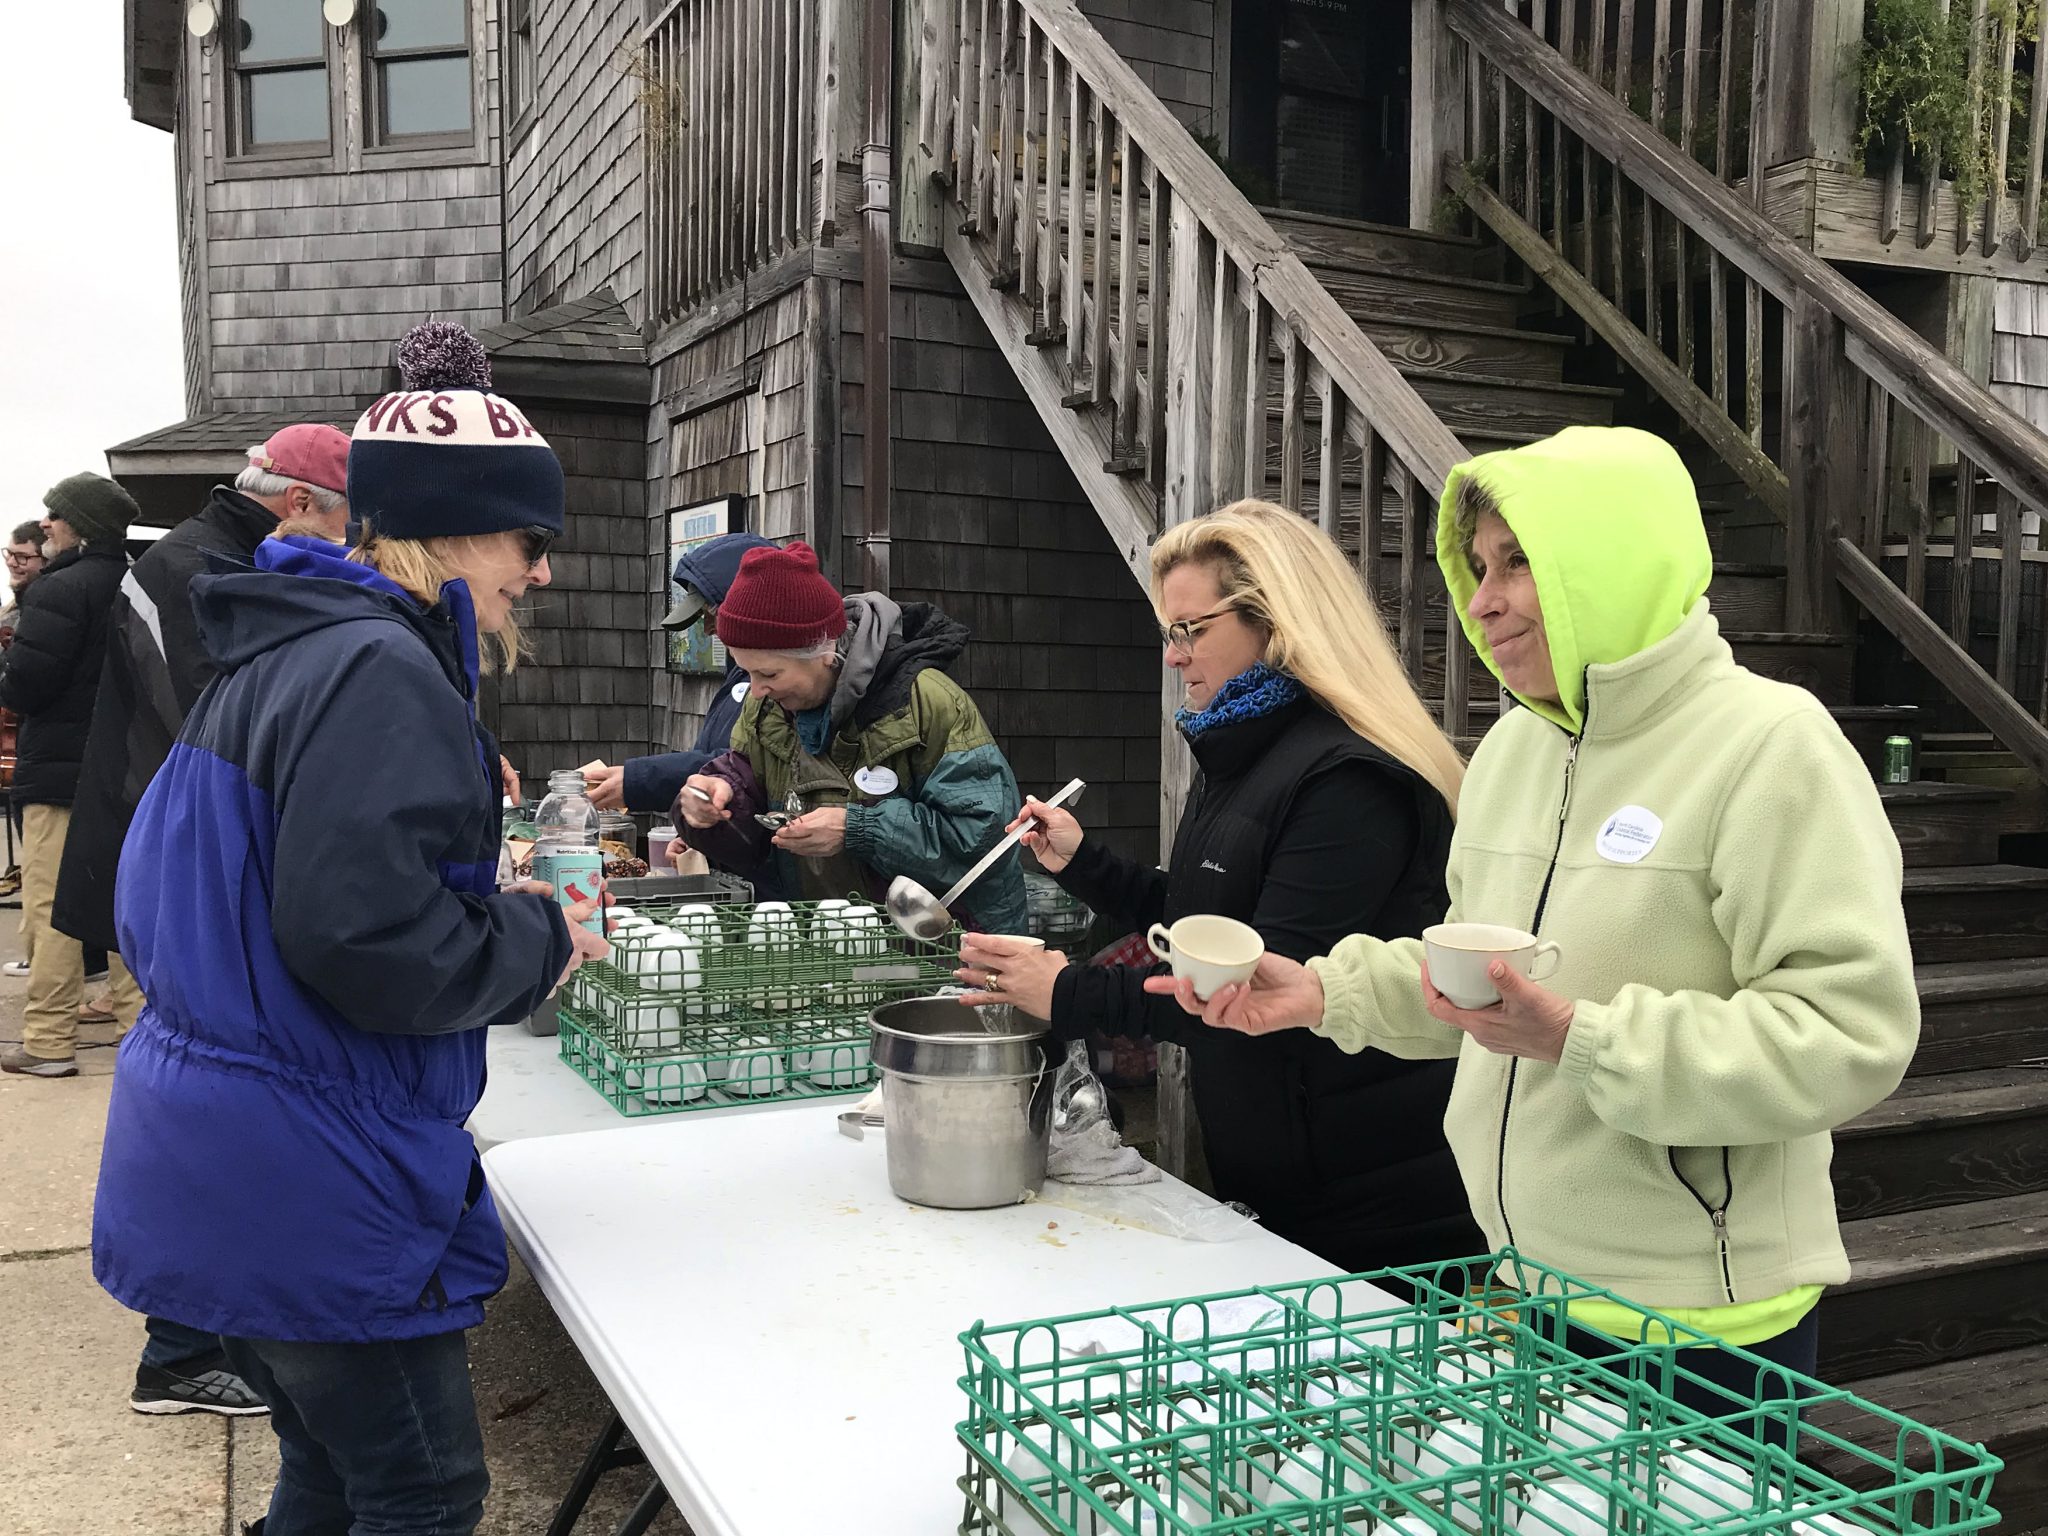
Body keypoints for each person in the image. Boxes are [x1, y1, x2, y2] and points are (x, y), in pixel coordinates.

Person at [1148, 427, 1919, 1406]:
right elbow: (1470, 988)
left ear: (1610, 558)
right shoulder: (1510, 753)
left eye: (1518, 561)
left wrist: (1579, 1039)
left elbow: (1848, 1035)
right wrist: (1321, 993)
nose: (1483, 599)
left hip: (1703, 1323)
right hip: (1520, 1286)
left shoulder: (1769, 748)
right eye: (1475, 566)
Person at [92, 322, 607, 1535]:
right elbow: (363, 940)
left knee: (327, 1473)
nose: (540, 574)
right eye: (528, 543)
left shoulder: (283, 648)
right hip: (308, 1170)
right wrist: (537, 939)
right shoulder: (382, 670)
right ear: (457, 528)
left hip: (214, 1145)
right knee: (423, 1488)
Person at [956, 501, 1481, 1273]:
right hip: (1281, 1162)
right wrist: (1084, 863)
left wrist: (1071, 993)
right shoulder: (1242, 752)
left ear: (1277, 620)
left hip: (1373, 1191)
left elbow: (1258, 994)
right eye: (1170, 631)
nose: (1173, 655)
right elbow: (1208, 923)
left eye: (1188, 629)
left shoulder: (1349, 780)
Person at [49, 424, 351, 1416]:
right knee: (214, 1101)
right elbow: (218, 730)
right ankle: (178, 1354)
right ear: (298, 503)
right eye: (345, 521)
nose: (350, 545)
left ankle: (205, 1329)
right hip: (178, 867)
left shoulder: (201, 553)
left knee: (212, 1097)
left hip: (170, 854)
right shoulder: (191, 570)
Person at [673, 539, 1029, 934]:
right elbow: (748, 811)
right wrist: (713, 804)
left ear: (824, 653)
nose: (755, 691)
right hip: (832, 949)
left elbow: (986, 837)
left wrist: (857, 829)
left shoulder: (928, 703)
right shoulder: (766, 709)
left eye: (769, 674)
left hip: (946, 946)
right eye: (746, 672)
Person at [0, 475, 143, 1077]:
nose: (46, 526)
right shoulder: (138, 584)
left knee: (54, 906)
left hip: (59, 772)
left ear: (79, 525)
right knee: (122, 901)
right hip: (127, 769)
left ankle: (48, 1040)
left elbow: (26, 687)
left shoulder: (58, 591)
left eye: (54, 516)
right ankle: (139, 1030)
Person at [583, 530, 776, 815]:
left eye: (712, 616)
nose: (708, 629)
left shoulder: (776, 686)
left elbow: (742, 767)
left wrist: (637, 781)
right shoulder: (740, 672)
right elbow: (714, 763)